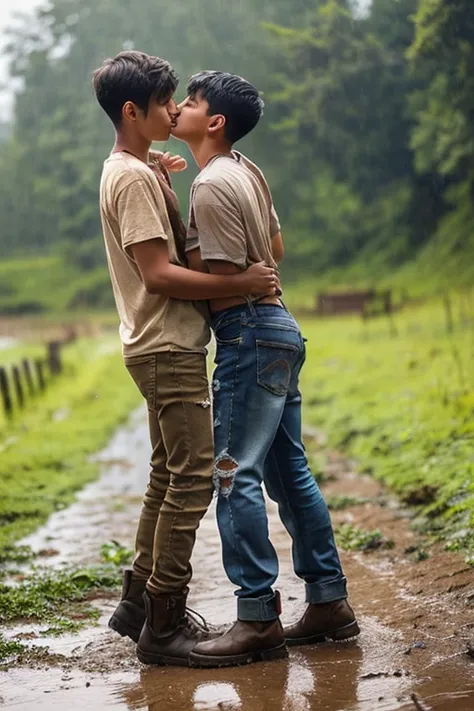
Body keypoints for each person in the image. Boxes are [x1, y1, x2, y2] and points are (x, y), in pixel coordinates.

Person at [92, 52, 279, 667]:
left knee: (166, 474)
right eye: (165, 101)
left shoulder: (133, 168)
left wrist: (157, 174)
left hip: (156, 344)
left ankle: (139, 604)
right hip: (167, 344)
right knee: (195, 477)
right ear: (131, 110)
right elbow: (161, 274)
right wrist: (244, 284)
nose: (174, 111)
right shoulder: (133, 177)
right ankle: (164, 625)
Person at [171, 71, 360, 668]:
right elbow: (272, 251)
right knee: (288, 471)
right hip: (278, 327)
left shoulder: (209, 184)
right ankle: (328, 601)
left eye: (191, 102)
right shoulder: (247, 169)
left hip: (247, 332)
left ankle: (256, 616)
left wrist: (181, 247)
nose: (178, 107)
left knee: (233, 473)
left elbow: (230, 275)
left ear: (215, 121)